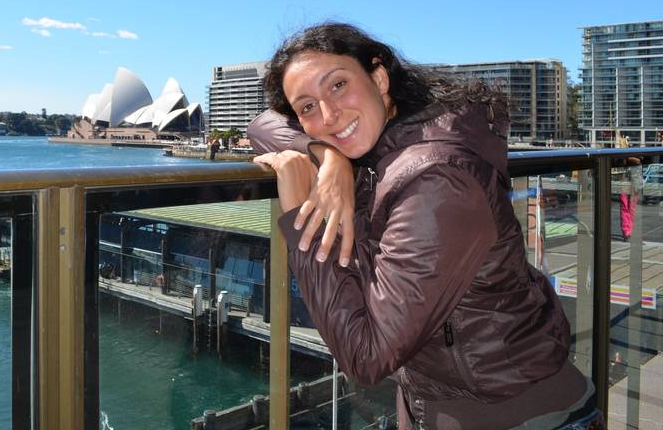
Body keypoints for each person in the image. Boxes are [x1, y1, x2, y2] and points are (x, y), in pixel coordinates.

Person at [250, 22, 603, 429]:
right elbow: (261, 124)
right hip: (448, 407)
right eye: (307, 106)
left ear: (379, 77)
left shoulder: (437, 179)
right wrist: (327, 156)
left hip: (523, 416)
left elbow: (366, 357)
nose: (327, 114)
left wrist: (301, 224)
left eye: (338, 85)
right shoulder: (392, 144)